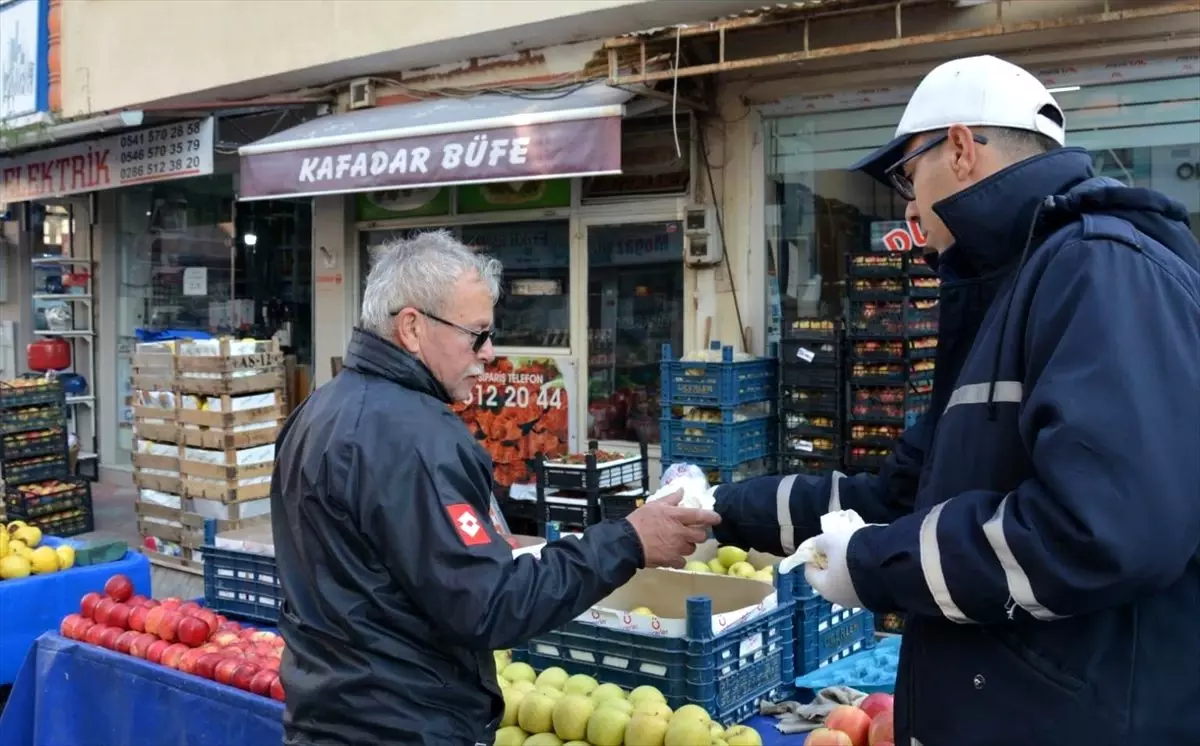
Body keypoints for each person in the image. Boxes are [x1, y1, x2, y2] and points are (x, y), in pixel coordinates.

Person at [715, 55, 1200, 745]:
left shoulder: (1099, 268)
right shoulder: (1011, 287)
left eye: (909, 173)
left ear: (963, 148)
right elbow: (901, 497)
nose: (908, 205)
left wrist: (873, 564)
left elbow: (1097, 531)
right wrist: (720, 511)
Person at [270, 230, 721, 746]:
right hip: (402, 723)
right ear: (412, 328)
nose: (490, 352)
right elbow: (490, 606)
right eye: (477, 334)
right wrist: (629, 541)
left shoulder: (316, 411)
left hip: (326, 714)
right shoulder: (418, 439)